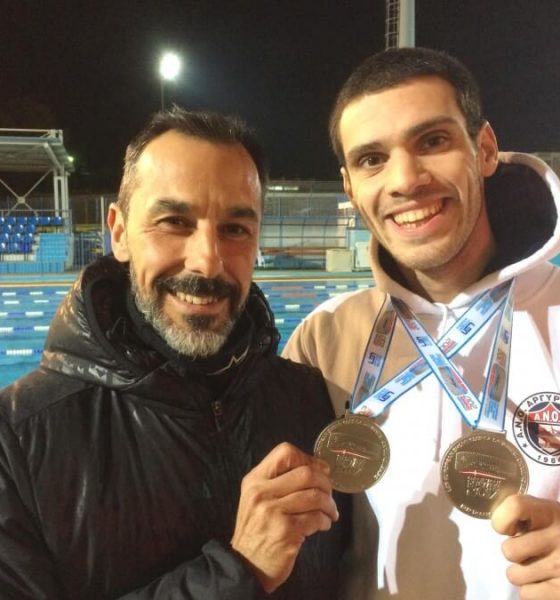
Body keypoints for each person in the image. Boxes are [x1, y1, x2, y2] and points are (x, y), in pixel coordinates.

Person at [0, 108, 349, 599]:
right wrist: (239, 572)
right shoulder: (19, 437)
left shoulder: (305, 398)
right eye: (174, 222)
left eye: (235, 229)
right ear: (119, 232)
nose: (207, 261)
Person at [283, 47, 560, 599]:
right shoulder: (323, 338)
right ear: (349, 187)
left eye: (432, 141)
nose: (405, 180)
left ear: (484, 149)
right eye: (372, 159)